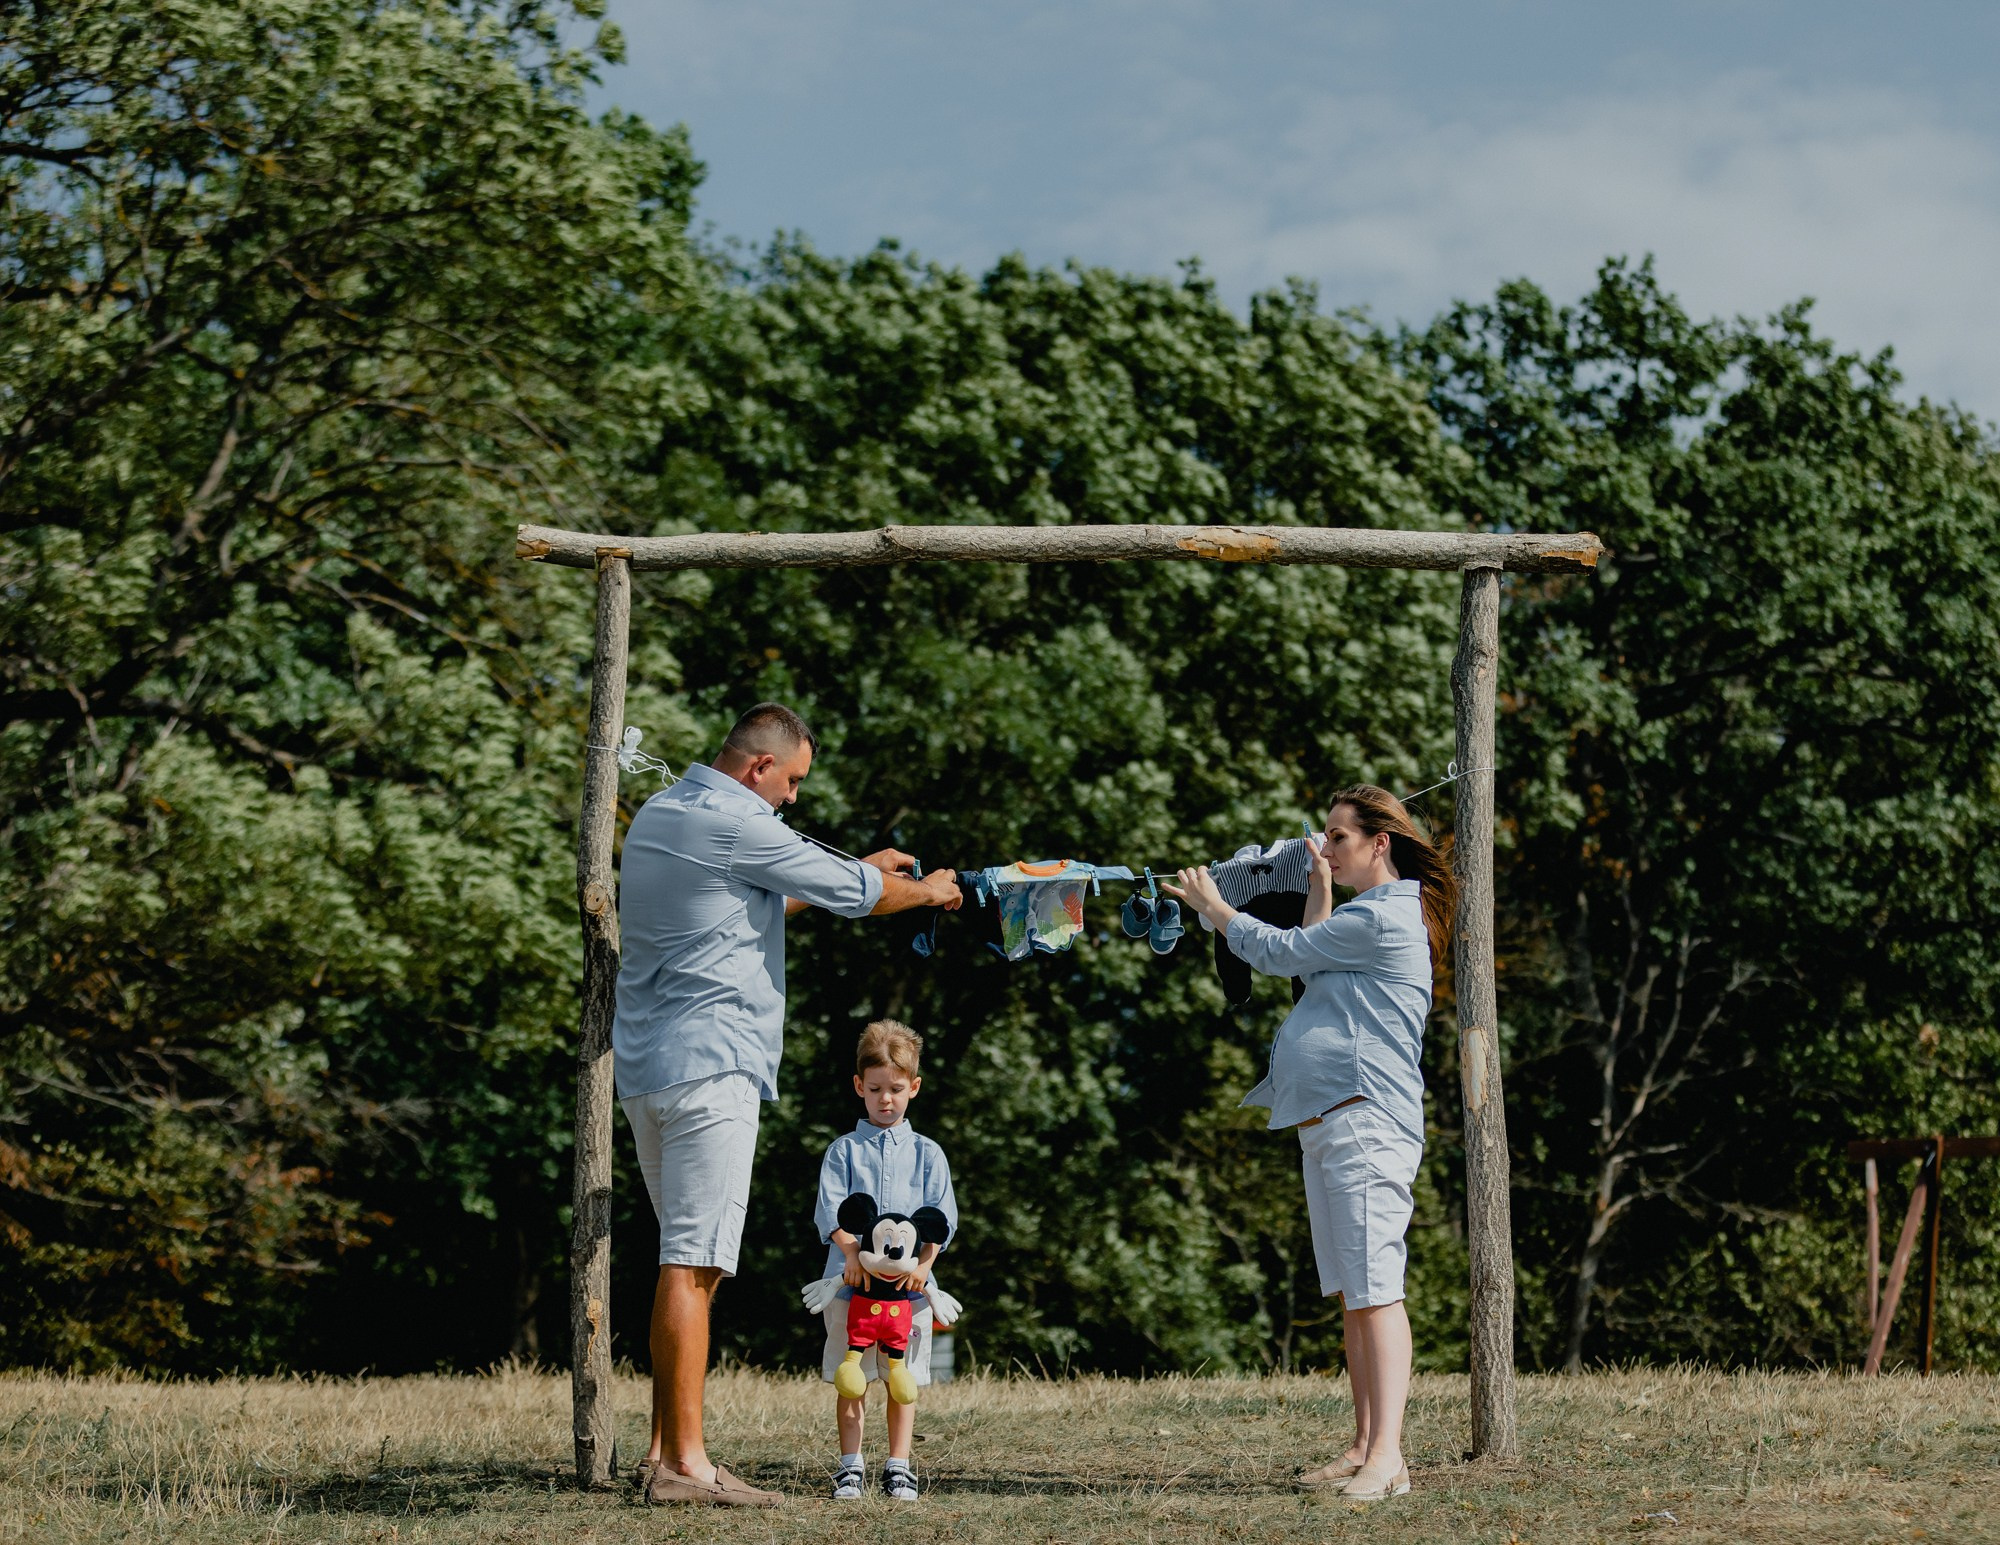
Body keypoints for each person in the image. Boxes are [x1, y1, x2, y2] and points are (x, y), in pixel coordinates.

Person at [615, 703, 962, 1509]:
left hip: (652, 1069)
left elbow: (749, 905)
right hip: (713, 1068)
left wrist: (868, 875)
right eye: (794, 781)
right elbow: (856, 893)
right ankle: (687, 1466)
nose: (795, 800)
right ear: (759, 767)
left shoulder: (666, 813)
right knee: (696, 1262)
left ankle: (666, 1447)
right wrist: (922, 889)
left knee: (681, 1257)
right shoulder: (738, 819)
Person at [1166, 785, 1453, 1504]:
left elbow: (1278, 951)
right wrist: (1320, 884)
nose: (1323, 846)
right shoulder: (1360, 914)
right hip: (1331, 1118)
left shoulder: (1389, 914)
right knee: (1355, 1293)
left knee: (1378, 1290)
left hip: (1365, 1120)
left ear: (1378, 843)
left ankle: (1388, 1458)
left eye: (1337, 837)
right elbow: (1308, 967)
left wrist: (1215, 908)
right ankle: (1364, 1443)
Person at [815, 1019, 958, 1502]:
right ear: (859, 1086)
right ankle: (850, 1466)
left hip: (909, 1293)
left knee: (902, 1382)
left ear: (913, 1087)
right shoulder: (843, 1151)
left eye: (896, 1089)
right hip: (849, 1286)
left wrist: (923, 1266)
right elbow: (829, 1212)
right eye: (875, 1089)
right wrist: (851, 1253)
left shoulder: (928, 1154)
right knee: (852, 1378)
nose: (885, 1100)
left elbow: (942, 1219)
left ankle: (899, 1465)